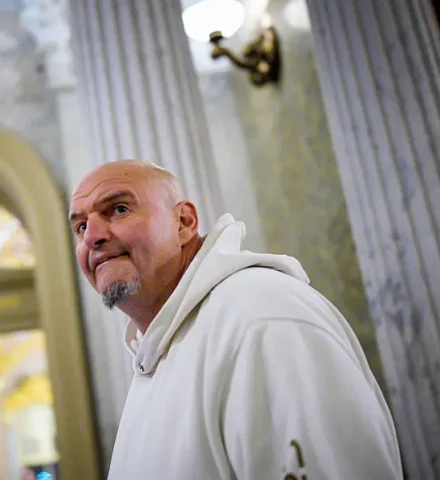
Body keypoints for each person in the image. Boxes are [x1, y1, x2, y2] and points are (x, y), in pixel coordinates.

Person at [68, 160, 403, 479]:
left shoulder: (260, 318)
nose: (91, 237)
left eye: (119, 209)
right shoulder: (164, 346)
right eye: (81, 226)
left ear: (184, 222)